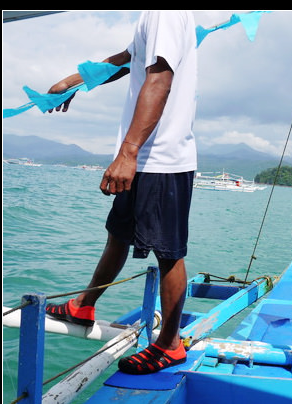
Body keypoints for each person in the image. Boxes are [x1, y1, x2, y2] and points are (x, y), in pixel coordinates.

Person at [44, 11, 198, 375]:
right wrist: (76, 80)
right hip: (143, 154)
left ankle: (170, 345)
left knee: (168, 252)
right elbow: (128, 59)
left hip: (161, 157)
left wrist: (127, 152)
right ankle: (84, 304)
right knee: (118, 234)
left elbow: (160, 77)